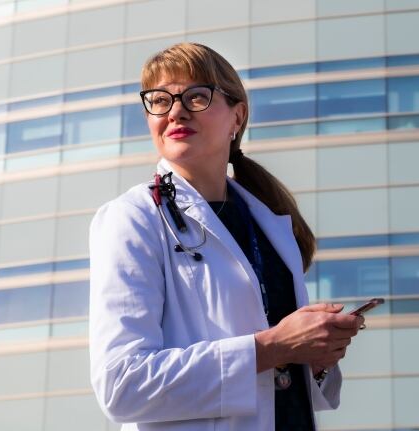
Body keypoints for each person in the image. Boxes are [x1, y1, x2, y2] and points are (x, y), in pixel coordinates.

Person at [89, 42, 364, 430]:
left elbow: (278, 381)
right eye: (159, 100)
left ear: (238, 116)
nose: (176, 110)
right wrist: (273, 347)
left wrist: (316, 359)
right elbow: (122, 386)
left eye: (197, 96)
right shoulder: (133, 219)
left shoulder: (268, 222)